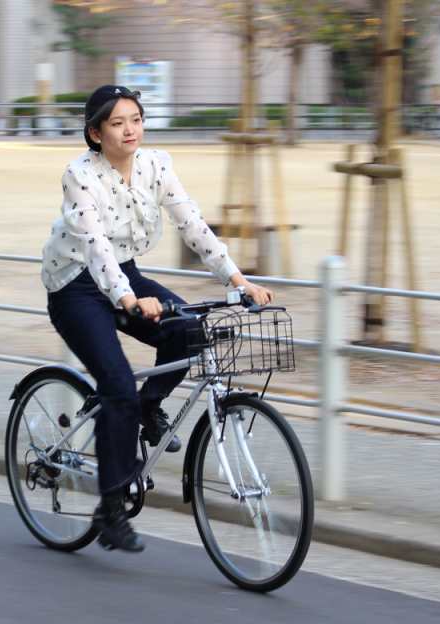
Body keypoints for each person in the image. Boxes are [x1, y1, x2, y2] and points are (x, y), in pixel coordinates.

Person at [41, 85, 273, 553]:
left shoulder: (156, 166)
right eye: (117, 122)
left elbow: (193, 224)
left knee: (189, 330)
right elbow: (95, 248)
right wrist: (127, 301)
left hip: (123, 273)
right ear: (95, 132)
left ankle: (148, 407)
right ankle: (109, 509)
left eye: (137, 119)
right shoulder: (79, 175)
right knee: (118, 385)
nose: (130, 130)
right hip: (77, 285)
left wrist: (238, 280)